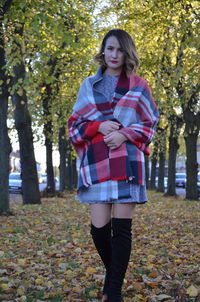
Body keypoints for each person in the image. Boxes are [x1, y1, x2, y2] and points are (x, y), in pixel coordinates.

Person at [68, 29, 159, 302]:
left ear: (127, 52)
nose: (114, 55)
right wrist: (99, 126)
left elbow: (149, 123)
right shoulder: (89, 85)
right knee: (98, 229)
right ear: (103, 51)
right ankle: (114, 277)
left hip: (128, 163)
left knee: (121, 229)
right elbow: (75, 126)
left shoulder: (139, 85)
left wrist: (124, 134)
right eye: (110, 49)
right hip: (97, 163)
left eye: (120, 50)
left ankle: (114, 291)